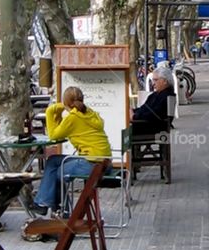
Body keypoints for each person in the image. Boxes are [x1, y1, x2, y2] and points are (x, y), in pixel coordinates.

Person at [28, 86, 112, 225]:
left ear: (65, 101)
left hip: (92, 163)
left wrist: (50, 112)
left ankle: (63, 213)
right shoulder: (90, 113)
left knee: (59, 172)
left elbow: (53, 135)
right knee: (53, 161)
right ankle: (44, 203)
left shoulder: (73, 118)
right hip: (104, 161)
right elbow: (62, 130)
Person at [132, 66, 173, 134]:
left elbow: (153, 115)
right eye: (153, 80)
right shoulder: (157, 95)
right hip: (148, 125)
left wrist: (134, 116)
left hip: (152, 128)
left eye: (156, 80)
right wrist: (133, 111)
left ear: (165, 81)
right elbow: (144, 109)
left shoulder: (166, 96)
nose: (153, 83)